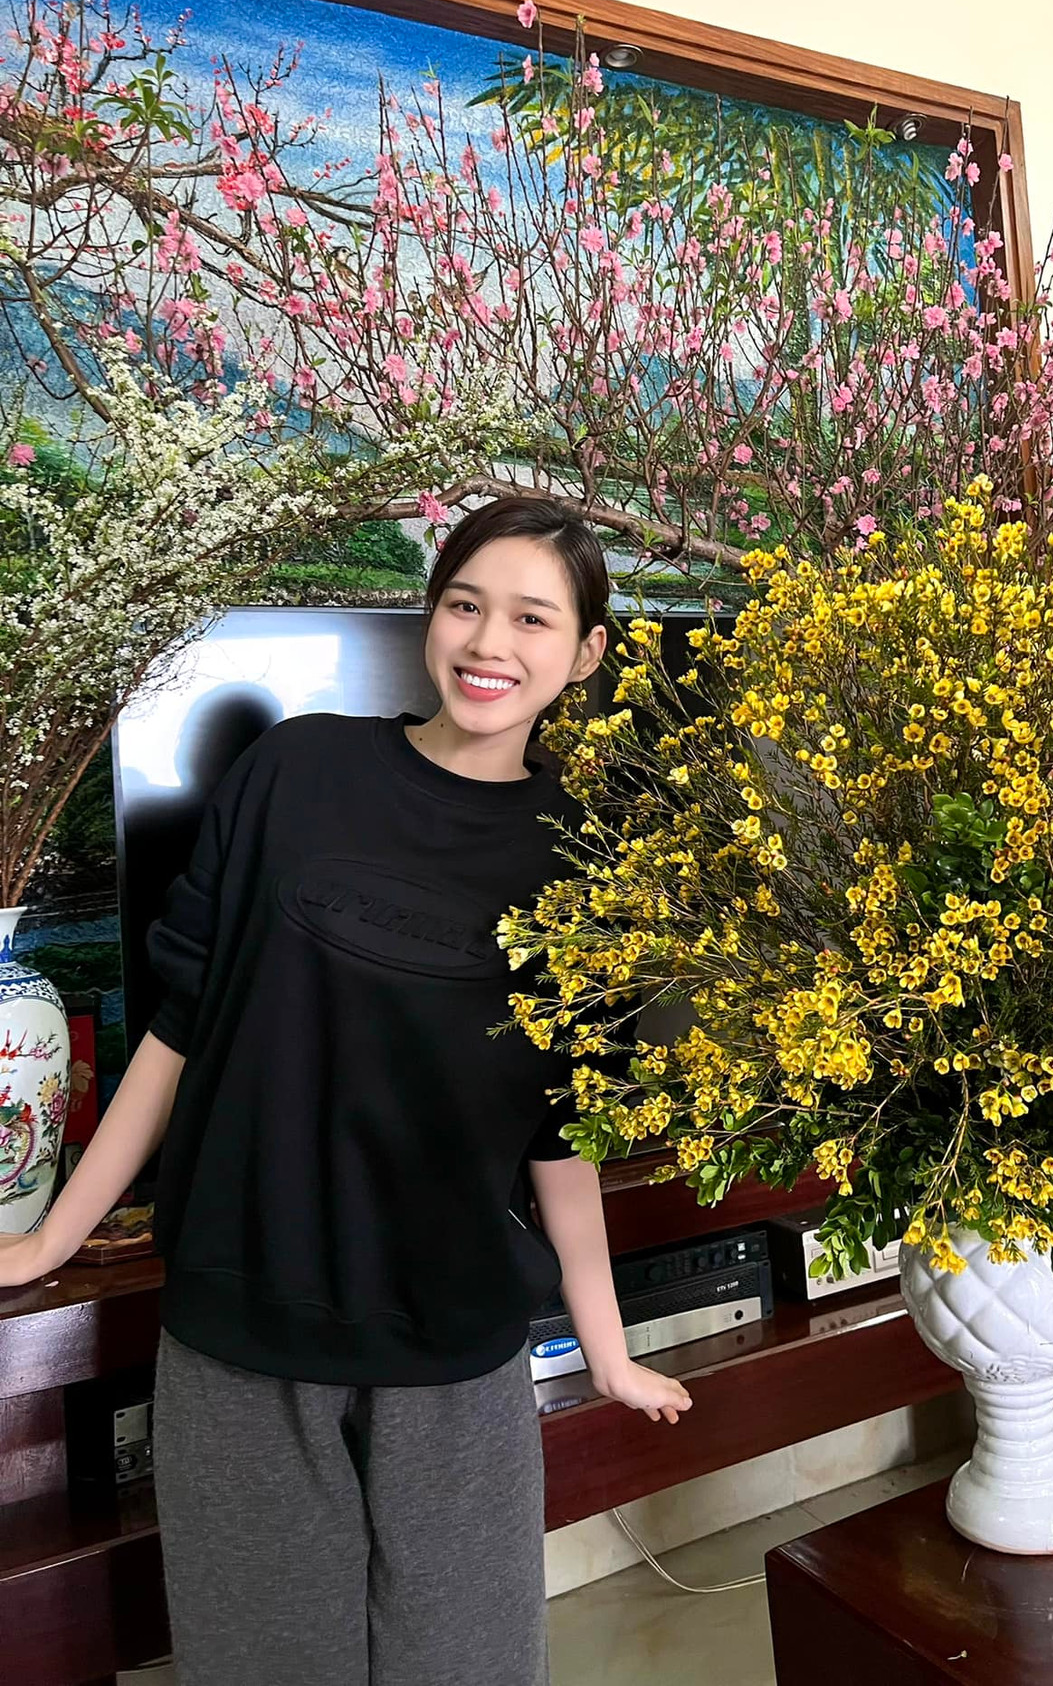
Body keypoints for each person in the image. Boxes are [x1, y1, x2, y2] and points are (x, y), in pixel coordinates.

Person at [0, 495, 692, 1685]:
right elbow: (177, 1028)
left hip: (455, 1339)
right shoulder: (296, 769)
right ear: (433, 614)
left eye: (532, 617)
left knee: (469, 1664)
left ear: (584, 652)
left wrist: (609, 1349)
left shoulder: (581, 857)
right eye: (466, 604)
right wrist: (54, 1235)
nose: (489, 641)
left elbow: (559, 1125)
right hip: (243, 1318)